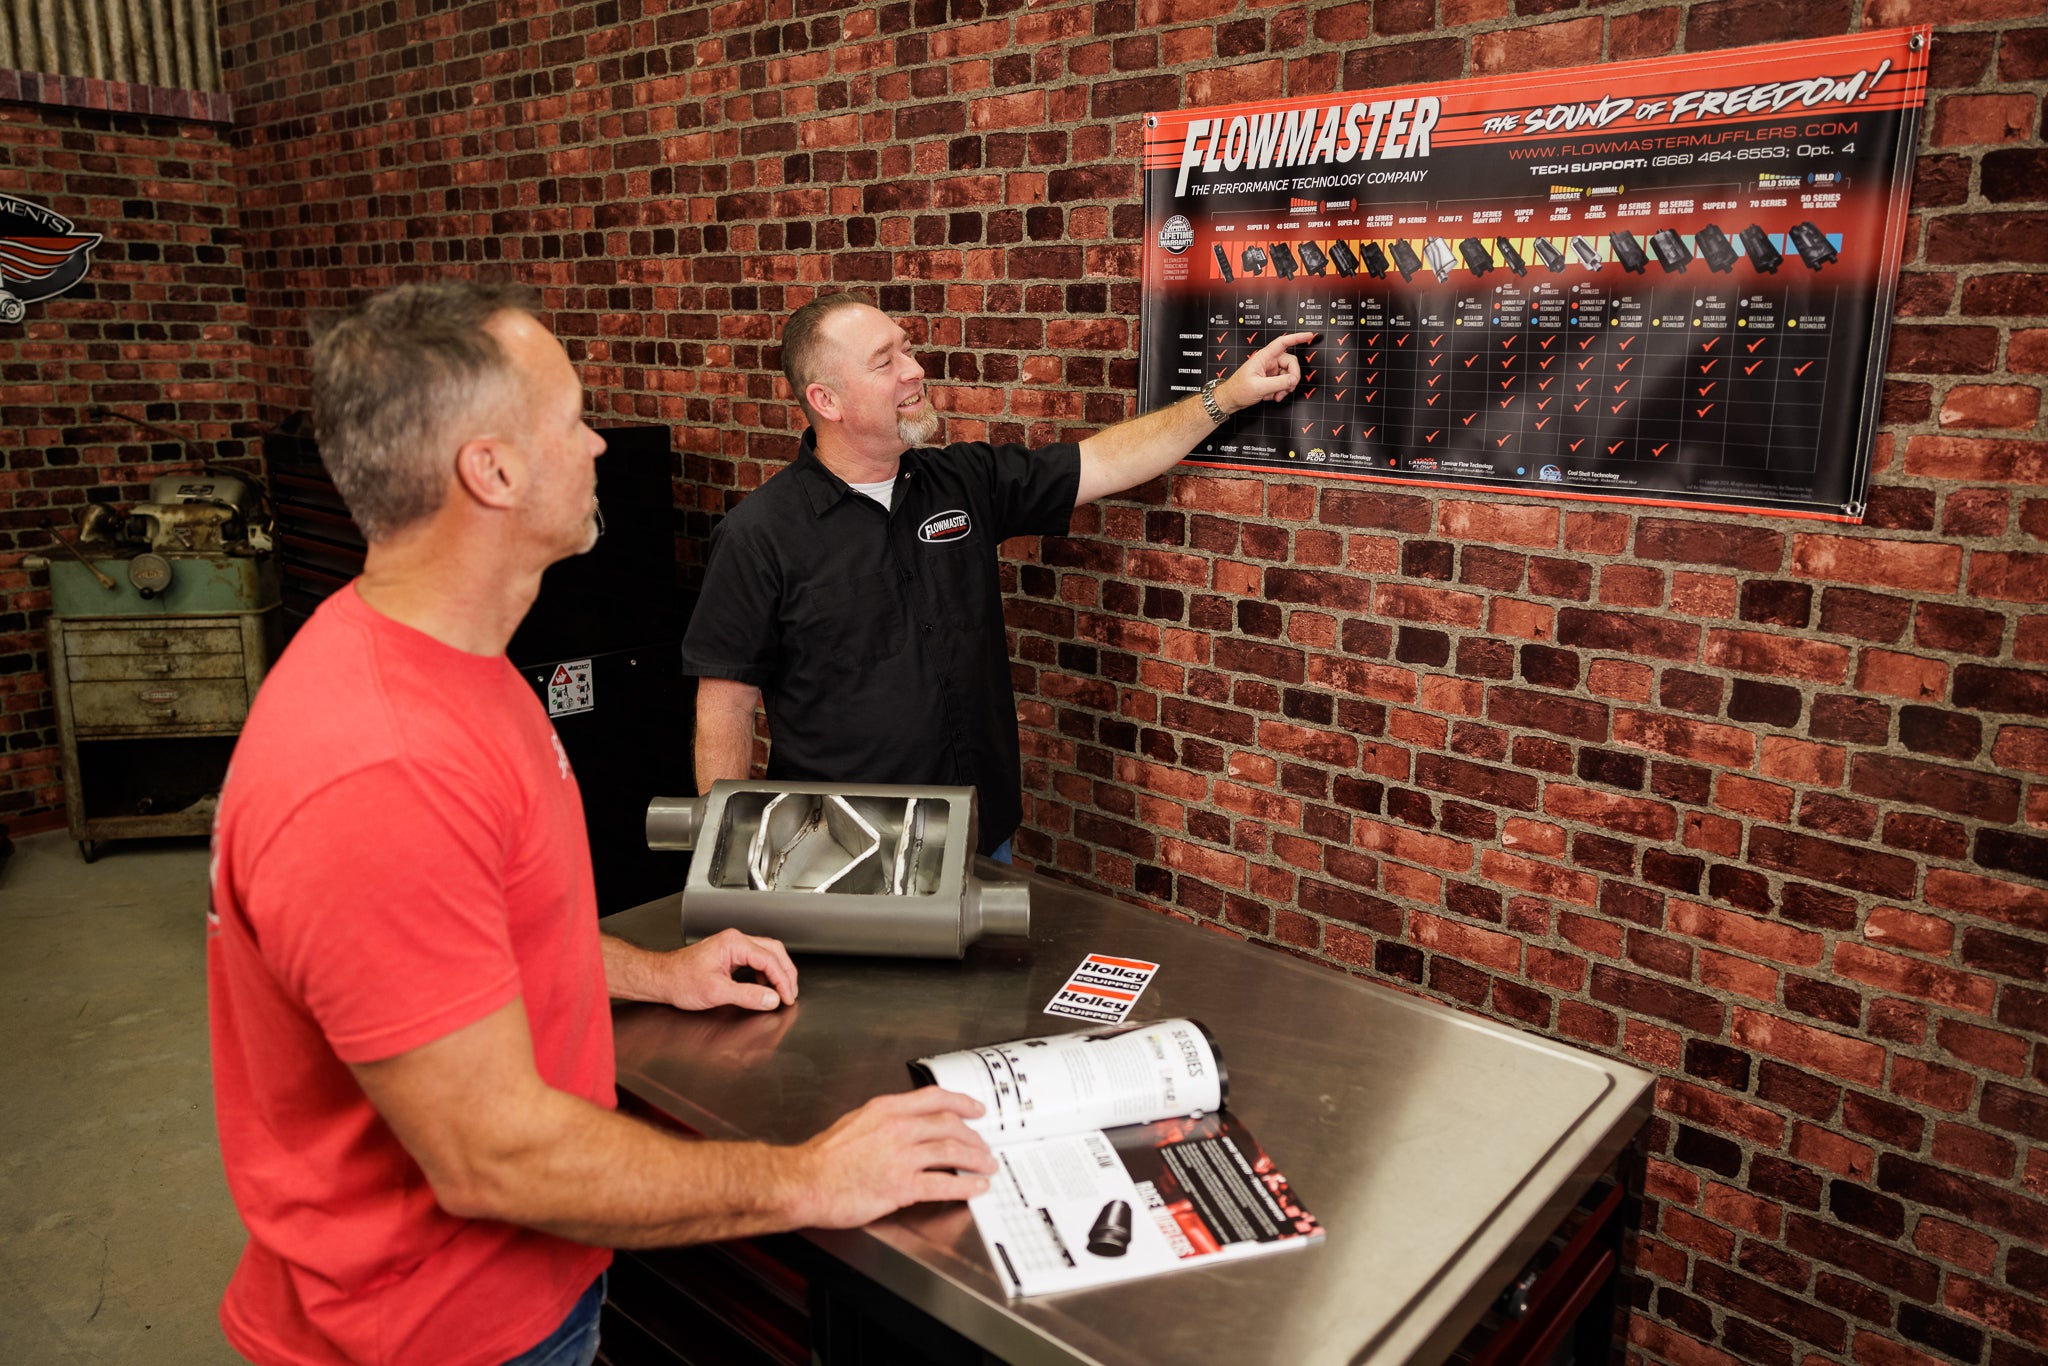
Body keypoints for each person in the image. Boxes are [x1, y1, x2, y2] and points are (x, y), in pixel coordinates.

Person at [206, 282, 996, 1366]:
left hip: (527, 1298)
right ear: (491, 472)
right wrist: (811, 1175)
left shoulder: (460, 666)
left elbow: (486, 940)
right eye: (572, 420)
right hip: (428, 1337)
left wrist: (655, 973)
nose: (595, 448)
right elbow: (498, 1157)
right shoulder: (380, 766)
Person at [683, 294, 1311, 857]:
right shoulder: (759, 535)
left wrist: (1228, 396)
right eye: (884, 361)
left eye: (906, 348)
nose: (914, 369)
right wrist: (728, 864)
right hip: (842, 855)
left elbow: (1105, 461)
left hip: (979, 836)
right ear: (827, 400)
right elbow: (726, 709)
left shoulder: (964, 482)